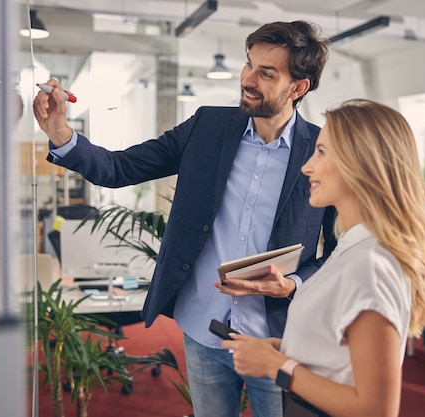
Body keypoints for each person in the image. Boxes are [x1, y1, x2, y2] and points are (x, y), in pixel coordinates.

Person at [33, 21, 335, 417]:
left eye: (266, 73)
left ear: (298, 88)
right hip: (202, 327)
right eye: (249, 65)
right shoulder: (206, 127)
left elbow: (337, 251)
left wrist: (293, 283)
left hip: (276, 338)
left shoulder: (322, 149)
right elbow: (120, 167)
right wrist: (61, 134)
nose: (248, 79)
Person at [220, 99, 425, 417]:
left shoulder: (372, 265)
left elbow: (376, 410)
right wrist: (283, 349)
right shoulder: (350, 247)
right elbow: (340, 354)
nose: (307, 166)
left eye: (321, 152)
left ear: (360, 164)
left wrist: (278, 366)